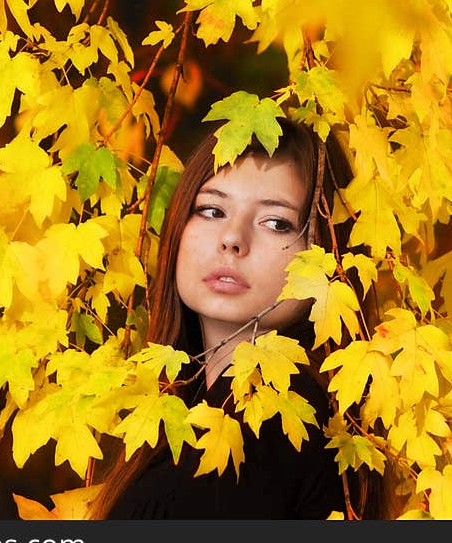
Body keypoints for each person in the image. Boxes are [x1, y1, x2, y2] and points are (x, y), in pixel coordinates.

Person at [87, 116, 388, 519]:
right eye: (212, 210)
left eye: (276, 222)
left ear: (330, 260)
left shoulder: (279, 422)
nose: (232, 238)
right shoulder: (184, 409)